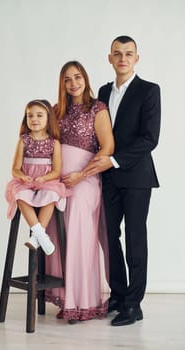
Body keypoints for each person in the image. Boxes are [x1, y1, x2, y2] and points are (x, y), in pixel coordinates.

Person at [84, 36, 161, 326]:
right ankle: (117, 294)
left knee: (135, 238)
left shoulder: (149, 90)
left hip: (137, 176)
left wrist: (114, 160)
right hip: (108, 177)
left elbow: (150, 139)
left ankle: (133, 304)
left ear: (137, 58)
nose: (123, 58)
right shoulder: (103, 92)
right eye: (117, 53)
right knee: (109, 237)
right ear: (109, 58)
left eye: (128, 54)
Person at [45, 61, 114, 324]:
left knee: (77, 232)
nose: (73, 83)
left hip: (85, 180)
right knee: (56, 232)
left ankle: (82, 302)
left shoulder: (98, 108)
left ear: (85, 79)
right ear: (61, 84)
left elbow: (107, 148)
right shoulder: (55, 110)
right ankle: (65, 296)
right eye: (67, 79)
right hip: (59, 180)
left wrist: (80, 175)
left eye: (77, 77)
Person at [5, 99, 71, 255]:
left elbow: (57, 171)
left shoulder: (54, 143)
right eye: (30, 116)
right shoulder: (23, 141)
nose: (34, 119)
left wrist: (45, 178)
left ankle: (36, 238)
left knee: (52, 195)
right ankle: (41, 235)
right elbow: (15, 169)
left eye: (39, 115)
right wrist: (22, 176)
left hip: (46, 182)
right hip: (26, 181)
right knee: (19, 195)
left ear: (48, 119)